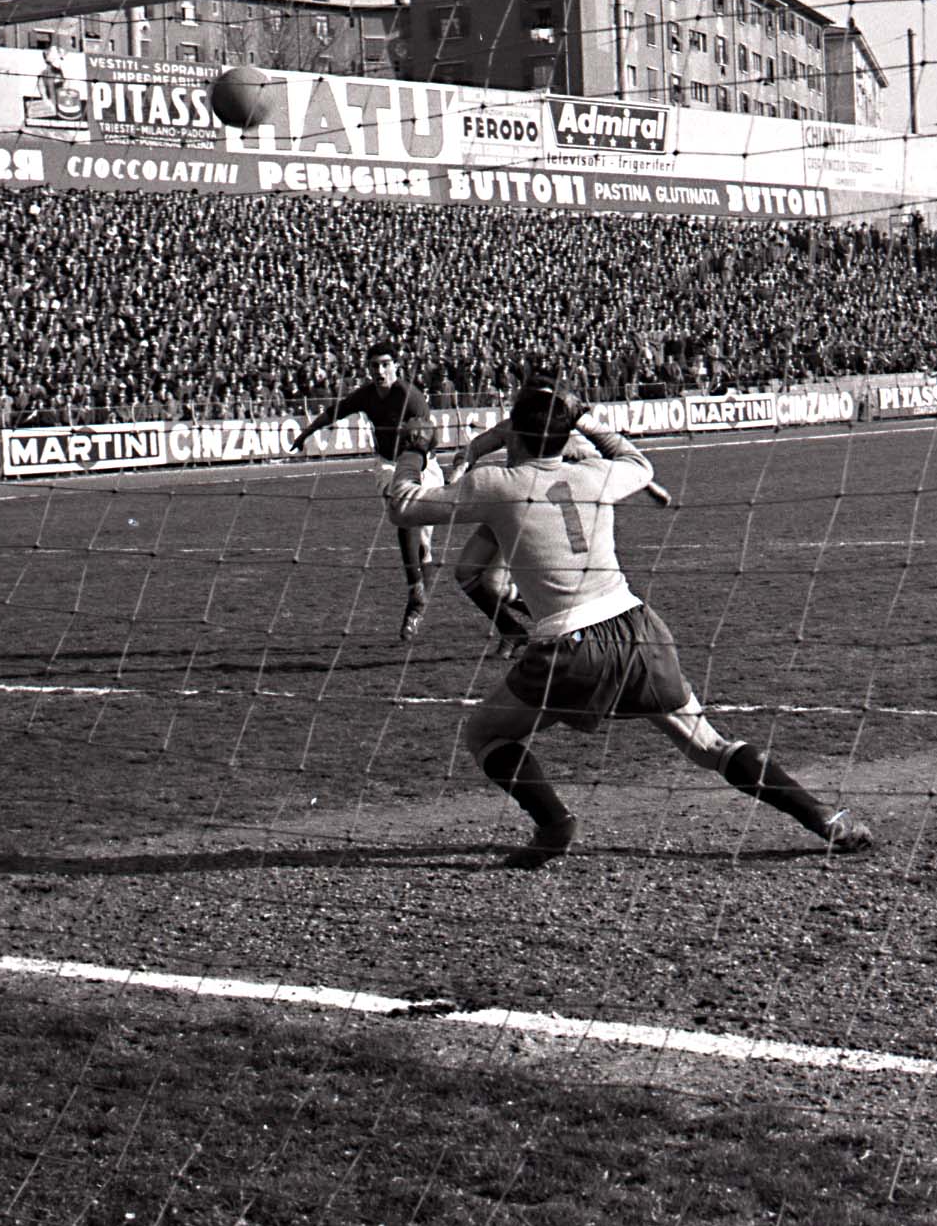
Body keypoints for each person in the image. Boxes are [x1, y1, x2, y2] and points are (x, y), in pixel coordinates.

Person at [385, 381, 875, 867]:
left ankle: (554, 824)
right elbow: (639, 463)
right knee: (709, 745)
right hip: (639, 630)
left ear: (513, 433)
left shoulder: (498, 485)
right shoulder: (596, 474)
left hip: (571, 647)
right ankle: (823, 817)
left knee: (485, 735)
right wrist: (586, 419)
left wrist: (412, 451)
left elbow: (403, 507)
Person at [290, 342, 440, 640]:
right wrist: (306, 432)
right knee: (401, 509)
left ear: (396, 365)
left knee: (423, 544)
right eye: (374, 366)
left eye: (385, 364)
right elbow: (335, 412)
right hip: (388, 465)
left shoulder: (410, 397)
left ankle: (417, 605)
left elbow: (430, 436)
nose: (380, 371)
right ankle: (415, 590)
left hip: (424, 465)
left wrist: (419, 442)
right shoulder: (367, 394)